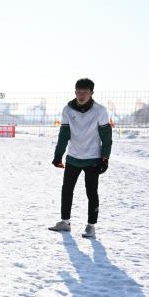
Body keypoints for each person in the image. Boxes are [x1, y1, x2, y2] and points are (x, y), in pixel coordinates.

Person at [49, 78, 112, 239]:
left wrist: (105, 158)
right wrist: (58, 155)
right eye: (78, 92)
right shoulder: (68, 110)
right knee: (67, 190)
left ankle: (91, 226)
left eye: (85, 92)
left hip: (93, 158)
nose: (81, 95)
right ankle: (65, 222)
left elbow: (106, 135)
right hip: (73, 158)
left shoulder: (100, 111)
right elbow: (64, 135)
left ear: (91, 93)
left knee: (91, 192)